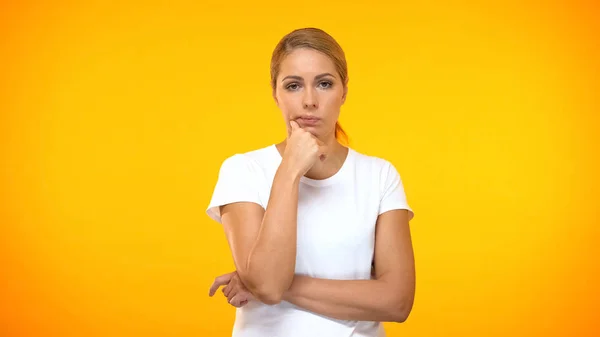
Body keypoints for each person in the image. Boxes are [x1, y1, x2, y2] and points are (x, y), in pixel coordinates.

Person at [205, 27, 416, 337]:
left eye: (324, 84)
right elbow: (267, 285)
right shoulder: (243, 170)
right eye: (293, 85)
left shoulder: (380, 175)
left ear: (344, 91)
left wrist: (259, 281)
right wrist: (290, 169)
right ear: (275, 93)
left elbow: (397, 302)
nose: (309, 100)